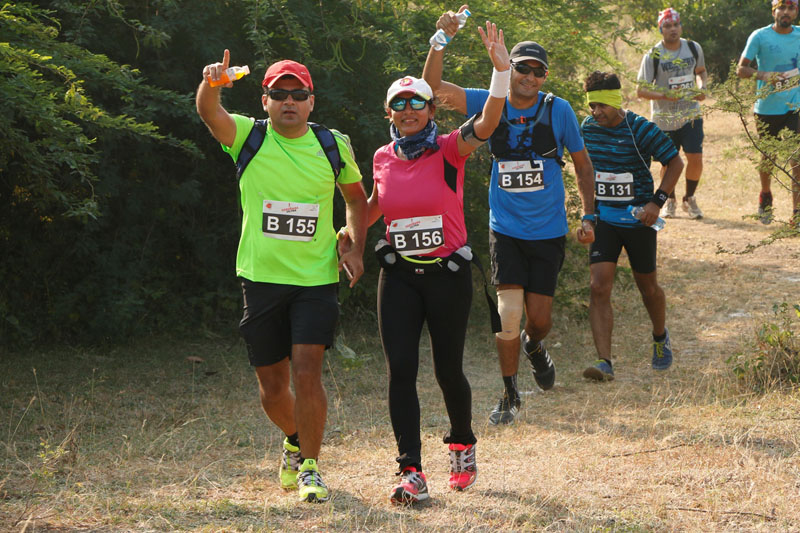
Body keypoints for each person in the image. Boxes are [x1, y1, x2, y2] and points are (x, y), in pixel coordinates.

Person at [196, 51, 368, 503]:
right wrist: (212, 84)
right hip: (261, 279)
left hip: (316, 279)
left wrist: (354, 243)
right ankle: (294, 437)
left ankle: (310, 467)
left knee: (308, 372)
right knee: (272, 389)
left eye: (298, 94)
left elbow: (356, 198)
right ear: (265, 100)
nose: (289, 101)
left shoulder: (332, 144)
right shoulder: (247, 136)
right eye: (279, 93)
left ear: (311, 101)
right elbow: (208, 112)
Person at [349, 20, 508, 504]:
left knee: (447, 370)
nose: (408, 110)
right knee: (400, 370)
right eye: (399, 104)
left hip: (447, 276)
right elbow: (371, 209)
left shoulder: (449, 149)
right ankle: (410, 471)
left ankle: (462, 443)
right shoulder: (382, 157)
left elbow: (488, 123)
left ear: (432, 109)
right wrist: (348, 236)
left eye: (417, 102)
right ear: (389, 114)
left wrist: (500, 72)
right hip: (398, 275)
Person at [423, 6, 596, 426]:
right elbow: (432, 89)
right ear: (508, 67)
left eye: (538, 72)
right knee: (508, 314)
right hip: (506, 228)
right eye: (523, 68)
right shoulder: (490, 100)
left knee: (539, 321)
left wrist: (590, 216)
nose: (530, 77)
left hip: (548, 230)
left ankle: (535, 346)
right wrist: (440, 41)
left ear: (545, 77)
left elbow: (583, 165)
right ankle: (509, 393)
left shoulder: (559, 110)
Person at [579, 71, 683, 382]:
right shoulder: (588, 129)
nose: (596, 112)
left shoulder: (640, 129)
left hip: (639, 221)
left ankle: (660, 336)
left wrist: (656, 203)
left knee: (648, 288)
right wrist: (588, 215)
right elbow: (584, 171)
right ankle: (604, 362)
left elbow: (675, 162)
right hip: (605, 220)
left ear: (617, 101)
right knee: (598, 286)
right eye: (592, 106)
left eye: (602, 105)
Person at [637, 7, 708, 220]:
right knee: (668, 162)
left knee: (695, 157)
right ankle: (670, 199)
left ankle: (689, 198)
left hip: (690, 114)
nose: (672, 29)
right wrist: (665, 95)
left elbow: (700, 71)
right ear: (661, 29)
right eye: (667, 26)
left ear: (681, 27)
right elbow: (641, 90)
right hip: (664, 118)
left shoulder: (693, 48)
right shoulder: (653, 54)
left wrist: (702, 87)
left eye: (676, 25)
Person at [737, 0, 800, 226]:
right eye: (781, 8)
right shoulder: (760, 36)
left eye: (791, 8)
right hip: (767, 108)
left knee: (797, 158)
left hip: (795, 107)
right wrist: (765, 76)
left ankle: (797, 213)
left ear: (796, 12)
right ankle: (765, 195)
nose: (786, 12)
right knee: (769, 156)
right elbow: (741, 69)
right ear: (774, 11)